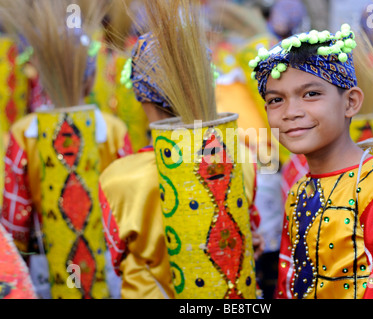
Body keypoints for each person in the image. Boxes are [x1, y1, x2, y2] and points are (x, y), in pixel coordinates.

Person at [249, 24, 373, 299]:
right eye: (276, 100)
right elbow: (289, 285)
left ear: (351, 102)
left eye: (311, 94)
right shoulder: (299, 191)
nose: (291, 112)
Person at [99, 32, 263, 299]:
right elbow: (249, 237)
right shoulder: (241, 159)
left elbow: (116, 261)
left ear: (142, 97)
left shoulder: (117, 178)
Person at [0, 0, 132, 299]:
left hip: (47, 265)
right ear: (90, 77)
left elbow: (15, 215)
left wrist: (21, 254)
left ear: (43, 77)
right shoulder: (112, 129)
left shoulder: (25, 132)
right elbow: (126, 203)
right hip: (110, 261)